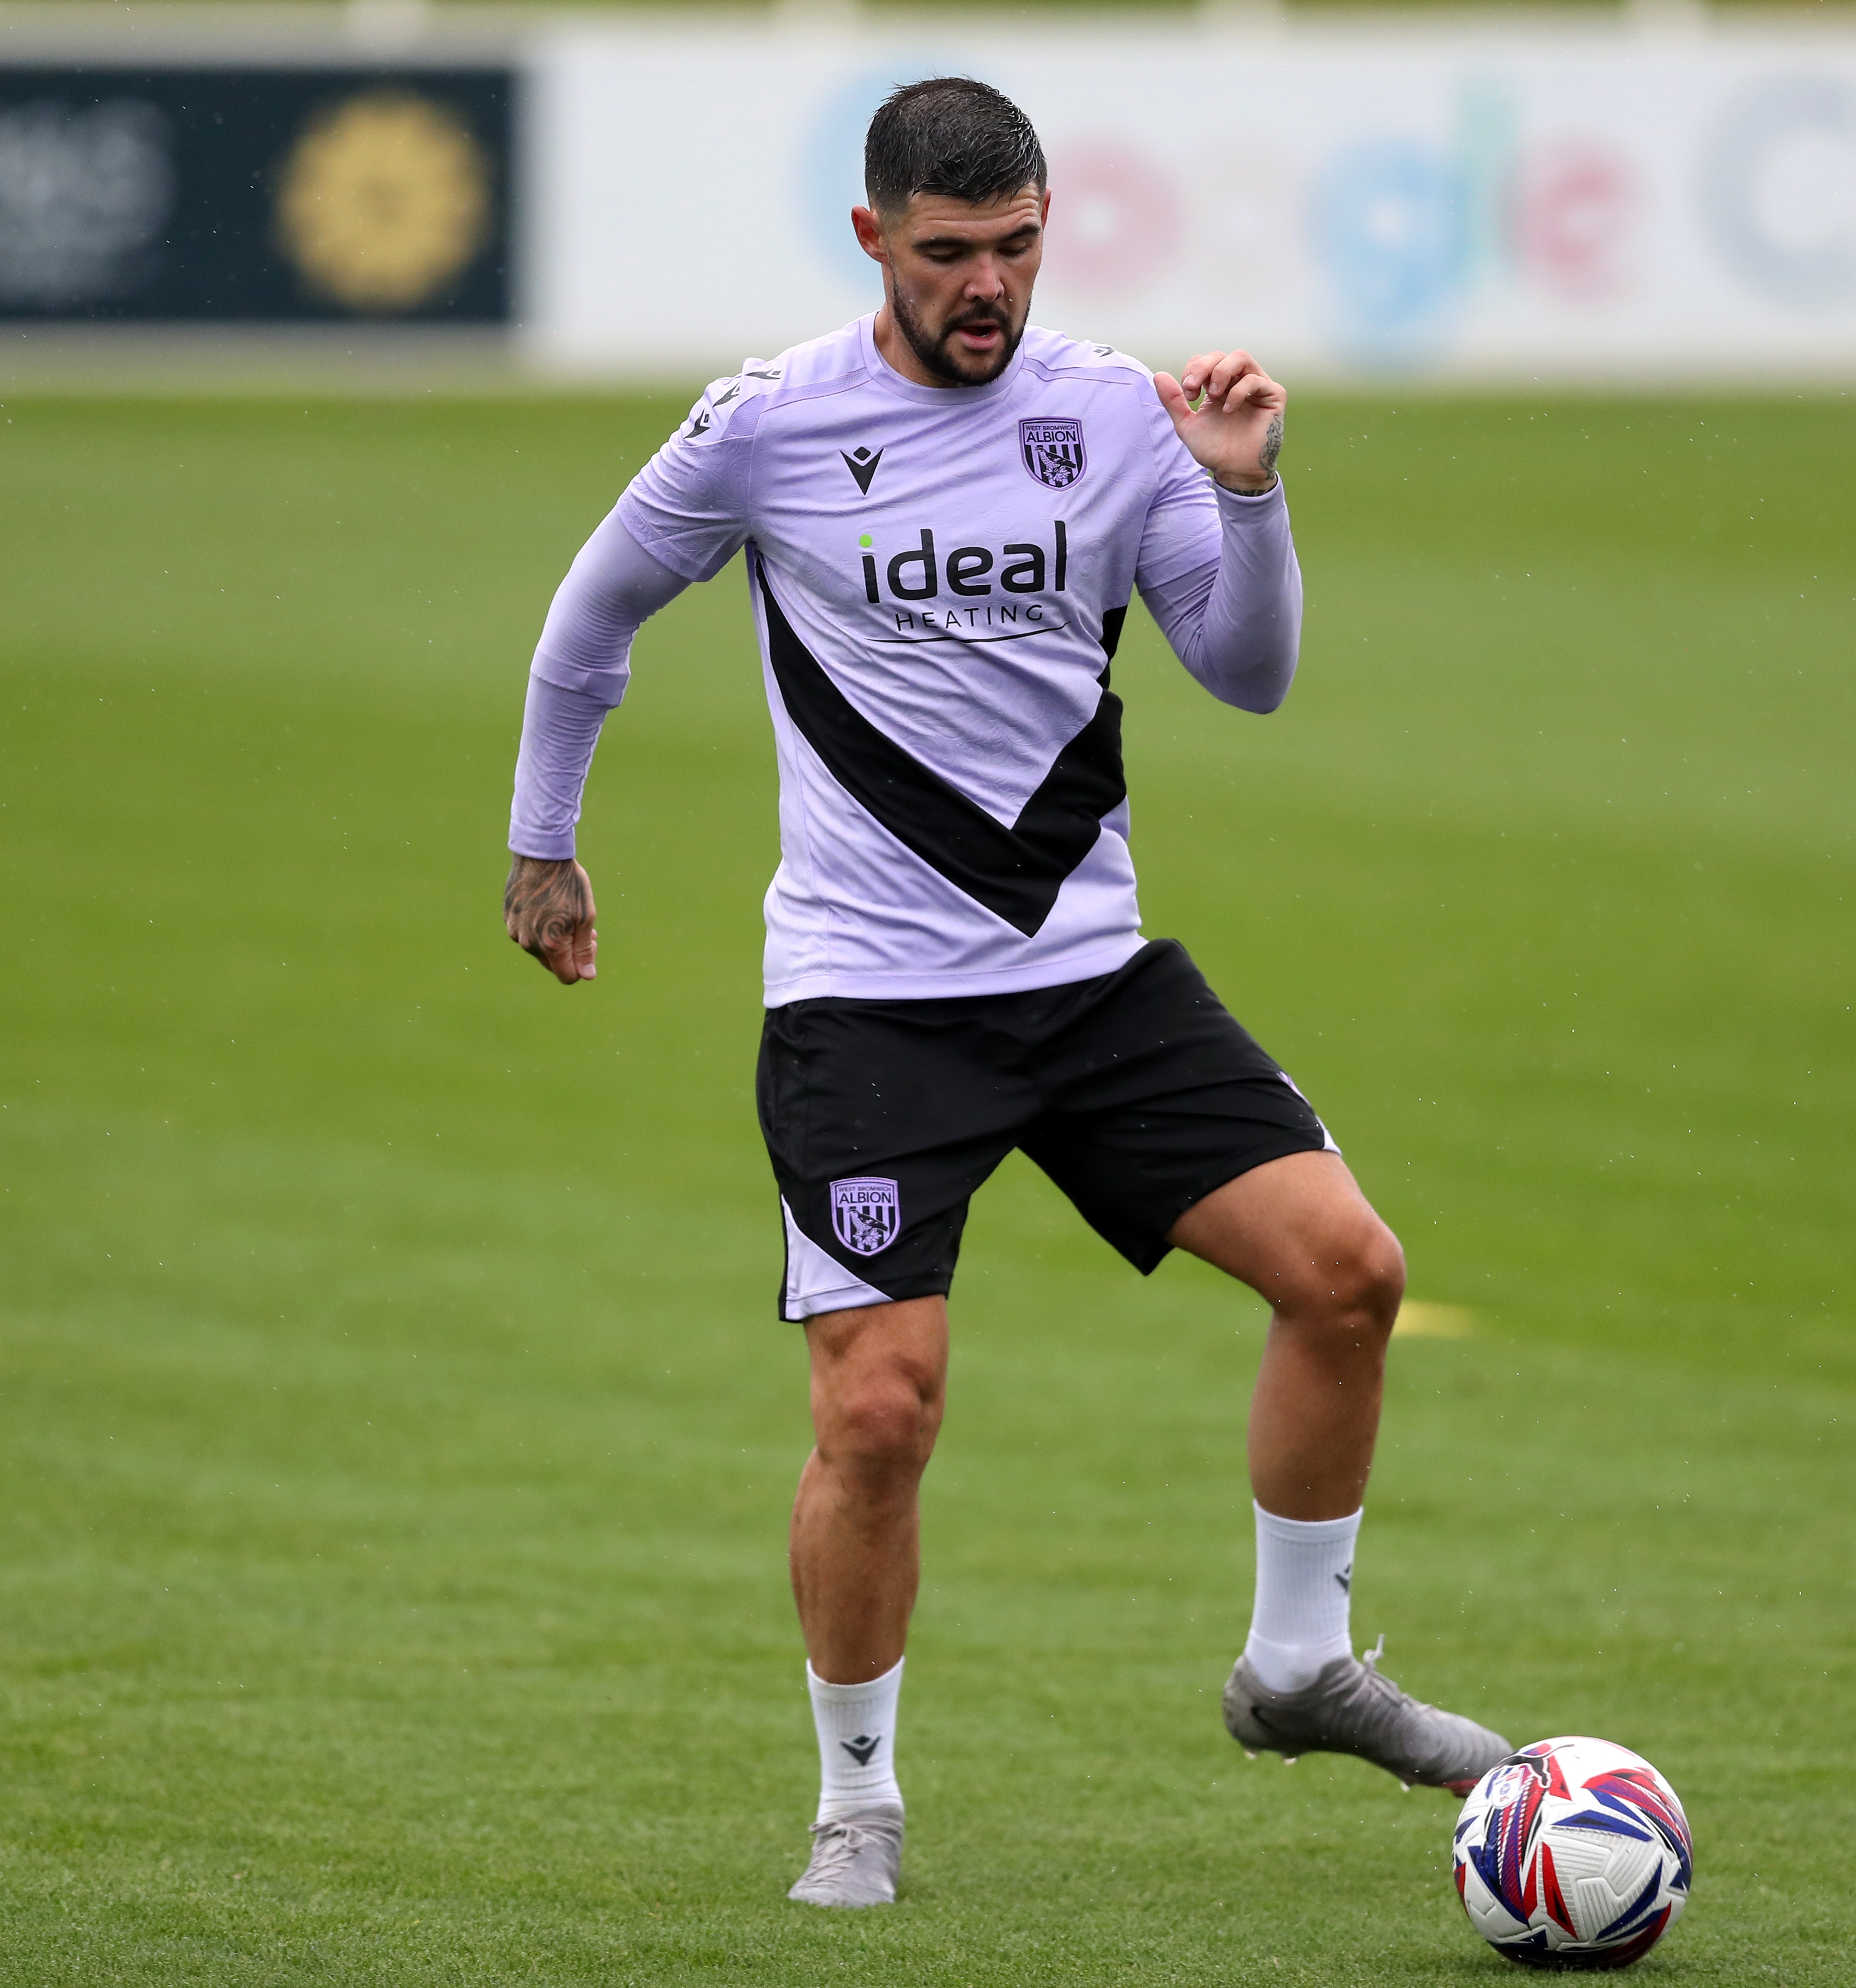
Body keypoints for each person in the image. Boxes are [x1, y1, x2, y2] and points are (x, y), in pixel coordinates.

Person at [500, 78, 1510, 1908]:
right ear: (875, 236)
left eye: (1018, 247)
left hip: (1090, 980)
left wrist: (1252, 498)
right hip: (868, 1004)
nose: (989, 286)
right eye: (953, 253)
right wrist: (543, 842)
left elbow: (1249, 672)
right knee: (879, 1407)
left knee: (1349, 1268)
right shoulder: (767, 426)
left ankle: (1296, 1667)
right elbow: (591, 619)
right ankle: (858, 1794)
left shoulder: (1118, 422)